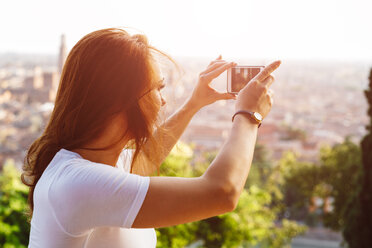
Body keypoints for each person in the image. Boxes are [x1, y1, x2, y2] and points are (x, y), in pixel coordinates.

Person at [22, 28, 280, 248]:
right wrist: (249, 115)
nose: (163, 99)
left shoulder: (93, 164)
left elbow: (145, 157)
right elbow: (222, 193)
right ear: (120, 100)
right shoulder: (77, 185)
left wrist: (194, 104)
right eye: (158, 88)